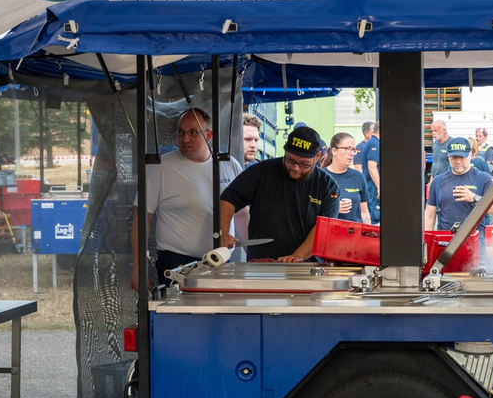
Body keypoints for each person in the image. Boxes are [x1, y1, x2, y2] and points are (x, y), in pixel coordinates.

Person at [131, 108, 247, 291]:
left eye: (193, 132)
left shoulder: (229, 164)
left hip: (221, 261)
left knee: (219, 317)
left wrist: (255, 257)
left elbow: (241, 215)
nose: (185, 139)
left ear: (209, 135)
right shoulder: (160, 168)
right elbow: (141, 220)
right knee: (179, 319)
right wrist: (139, 267)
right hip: (176, 264)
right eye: (181, 132)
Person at [219, 125, 340, 262]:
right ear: (285, 150)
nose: (295, 168)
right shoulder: (261, 172)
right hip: (261, 264)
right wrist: (223, 232)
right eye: (290, 160)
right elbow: (228, 198)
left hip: (306, 268)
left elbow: (323, 228)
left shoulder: (327, 186)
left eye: (304, 164)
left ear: (317, 157)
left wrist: (297, 256)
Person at [424, 137, 493, 260]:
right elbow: (429, 215)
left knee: (475, 278)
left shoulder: (483, 178)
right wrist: (426, 245)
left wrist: (474, 198)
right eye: (454, 157)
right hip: (445, 243)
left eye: (462, 157)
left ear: (470, 155)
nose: (458, 161)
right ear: (448, 157)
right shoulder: (438, 181)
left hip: (475, 242)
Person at [322, 132, 371, 224]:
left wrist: (368, 234)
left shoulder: (358, 177)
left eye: (353, 150)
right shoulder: (321, 177)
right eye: (347, 149)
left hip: (354, 234)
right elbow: (311, 212)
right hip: (330, 233)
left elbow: (364, 212)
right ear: (334, 151)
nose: (352, 153)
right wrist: (334, 208)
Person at [362, 121, 381, 224]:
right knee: (374, 214)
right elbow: (372, 167)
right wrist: (379, 187)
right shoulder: (375, 143)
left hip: (372, 184)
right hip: (372, 184)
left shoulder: (373, 142)